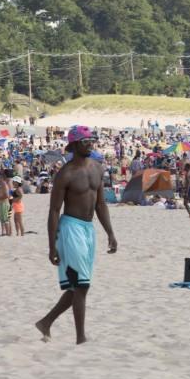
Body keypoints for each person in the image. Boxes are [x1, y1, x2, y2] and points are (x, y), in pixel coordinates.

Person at [36, 126, 118, 345]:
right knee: (82, 285)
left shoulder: (97, 168)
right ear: (73, 145)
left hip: (88, 229)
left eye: (91, 140)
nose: (90, 144)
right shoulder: (66, 174)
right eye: (85, 141)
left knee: (79, 284)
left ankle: (46, 322)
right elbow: (54, 211)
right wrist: (51, 246)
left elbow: (100, 204)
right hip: (70, 228)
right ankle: (80, 337)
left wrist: (110, 232)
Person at [0, 169, 12, 237]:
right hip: (1, 203)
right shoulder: (2, 184)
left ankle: (7, 233)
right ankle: (3, 232)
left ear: (2, 178)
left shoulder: (4, 184)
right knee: (2, 218)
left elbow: (7, 195)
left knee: (5, 219)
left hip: (4, 203)